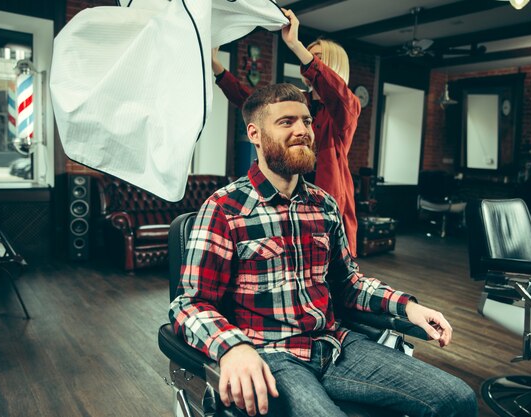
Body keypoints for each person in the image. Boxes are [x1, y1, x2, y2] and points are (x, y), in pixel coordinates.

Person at [168, 83, 478, 417]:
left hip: (335, 345)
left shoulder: (324, 204)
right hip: (272, 355)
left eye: (305, 121)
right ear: (255, 134)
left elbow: (349, 282)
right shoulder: (224, 208)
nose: (302, 130)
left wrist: (408, 308)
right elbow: (189, 304)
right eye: (286, 122)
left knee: (457, 398)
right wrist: (232, 348)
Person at [212, 8, 361, 257]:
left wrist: (295, 44)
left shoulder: (345, 108)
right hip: (291, 198)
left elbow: (340, 95)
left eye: (317, 59)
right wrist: (218, 69)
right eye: (309, 57)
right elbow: (253, 102)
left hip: (326, 205)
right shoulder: (300, 101)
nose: (309, 63)